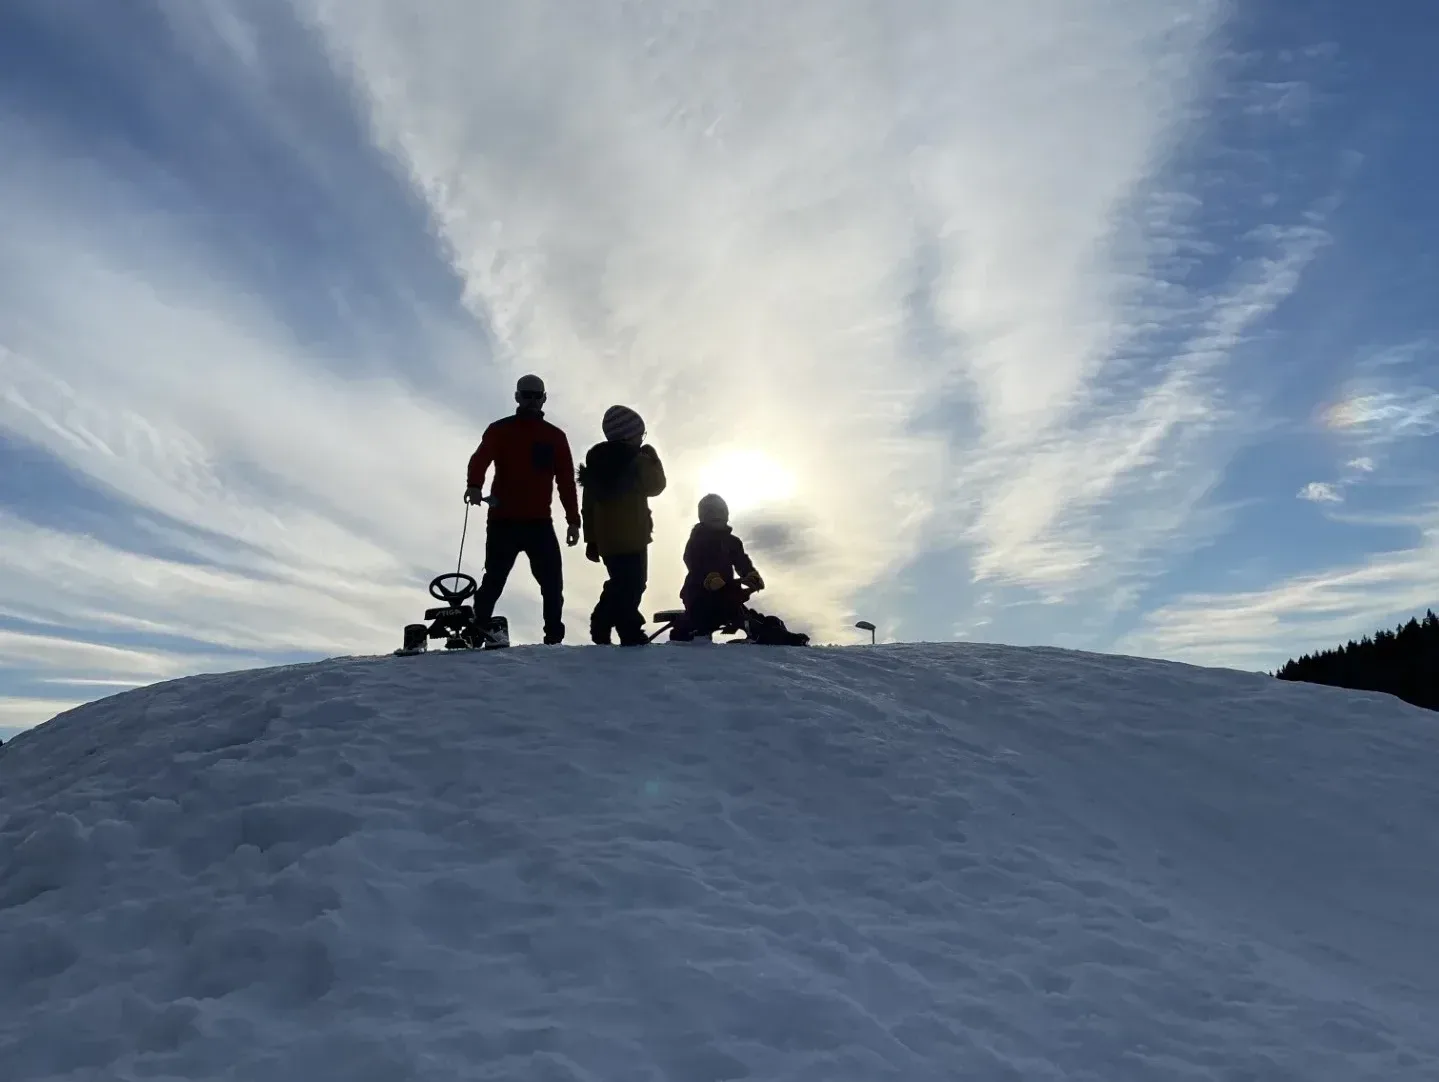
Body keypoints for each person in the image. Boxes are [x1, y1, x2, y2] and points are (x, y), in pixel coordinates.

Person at [464, 374, 581, 644]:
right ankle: (476, 632)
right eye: (526, 394)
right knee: (494, 580)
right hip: (503, 522)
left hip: (539, 523)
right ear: (517, 396)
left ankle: (553, 639)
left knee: (552, 584)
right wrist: (474, 485)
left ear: (543, 398)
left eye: (536, 395)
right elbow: (479, 459)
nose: (531, 400)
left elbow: (566, 481)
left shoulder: (555, 437)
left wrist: (573, 521)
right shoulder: (499, 429)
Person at [577, 404, 666, 645]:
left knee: (622, 582)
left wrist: (592, 540)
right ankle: (622, 628)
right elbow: (656, 486)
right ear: (629, 435)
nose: (642, 439)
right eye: (641, 434)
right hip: (633, 536)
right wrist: (652, 457)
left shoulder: (597, 466)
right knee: (633, 584)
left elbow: (588, 506)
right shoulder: (637, 461)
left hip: (608, 540)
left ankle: (610, 622)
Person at [670, 493, 809, 645]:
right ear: (702, 517)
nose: (716, 516)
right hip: (699, 593)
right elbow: (693, 561)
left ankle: (770, 631)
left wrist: (750, 575)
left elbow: (741, 561)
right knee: (706, 614)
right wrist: (709, 578)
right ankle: (693, 632)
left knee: (741, 610)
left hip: (726, 591)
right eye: (711, 513)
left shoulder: (732, 542)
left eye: (720, 512)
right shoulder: (698, 539)